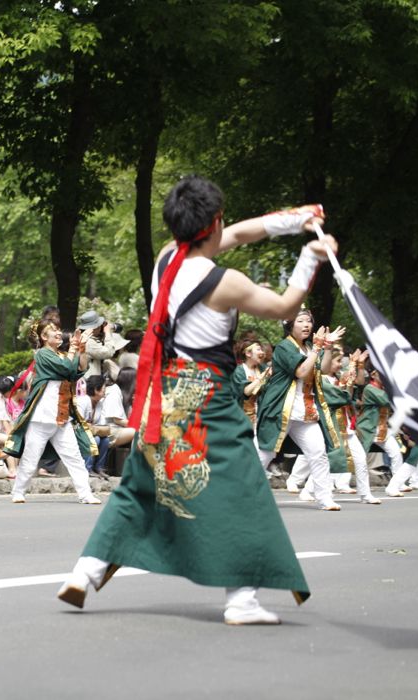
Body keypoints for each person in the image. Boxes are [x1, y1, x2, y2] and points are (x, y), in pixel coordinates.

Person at [58, 175, 328, 625]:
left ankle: (85, 572)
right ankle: (242, 598)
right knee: (244, 489)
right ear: (214, 221)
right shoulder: (227, 282)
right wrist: (310, 256)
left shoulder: (167, 257)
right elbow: (284, 308)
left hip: (165, 393)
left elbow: (238, 232)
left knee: (141, 483)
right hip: (209, 398)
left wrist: (296, 219)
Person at [4, 320, 101, 504]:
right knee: (31, 459)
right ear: (43, 337)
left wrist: (82, 348)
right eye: (53, 331)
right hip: (41, 417)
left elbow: (78, 370)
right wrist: (73, 348)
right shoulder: (42, 354)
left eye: (58, 329)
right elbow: (66, 369)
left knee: (74, 458)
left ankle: (85, 494)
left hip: (61, 417)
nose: (58, 333)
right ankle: (18, 492)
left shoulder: (63, 354)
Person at [255, 312, 345, 507]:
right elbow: (301, 371)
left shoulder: (311, 347)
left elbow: (325, 368)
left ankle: (324, 498)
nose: (306, 325)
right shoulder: (284, 346)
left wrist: (327, 348)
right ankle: (242, 496)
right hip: (281, 409)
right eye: (301, 321)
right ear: (290, 325)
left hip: (305, 411)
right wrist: (318, 348)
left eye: (309, 321)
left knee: (318, 453)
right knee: (265, 454)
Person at [294, 346, 380, 504]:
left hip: (346, 425)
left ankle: (365, 494)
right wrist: (351, 371)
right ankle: (307, 489)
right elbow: (341, 396)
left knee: (360, 459)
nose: (341, 364)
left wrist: (358, 365)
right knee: (327, 460)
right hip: (330, 425)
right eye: (338, 361)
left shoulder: (339, 376)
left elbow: (357, 384)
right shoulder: (320, 379)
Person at [356, 369, 413, 498]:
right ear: (373, 375)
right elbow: (387, 401)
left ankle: (397, 483)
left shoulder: (383, 388)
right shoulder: (370, 389)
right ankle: (334, 483)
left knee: (396, 453)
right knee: (358, 459)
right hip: (367, 428)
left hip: (382, 429)